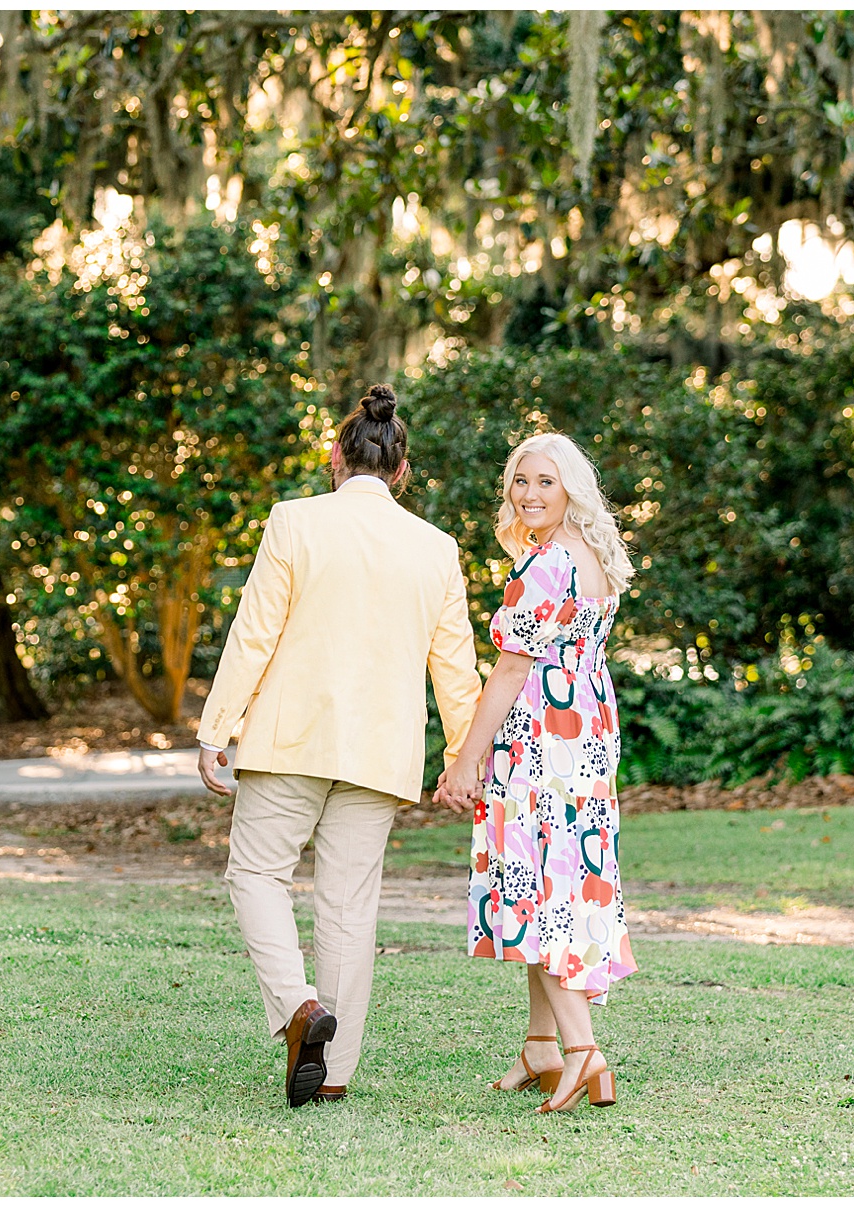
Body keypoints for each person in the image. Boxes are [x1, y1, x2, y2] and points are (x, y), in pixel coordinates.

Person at [196, 383, 480, 1108]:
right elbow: (455, 668)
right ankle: (338, 1067)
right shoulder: (437, 548)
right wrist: (463, 756)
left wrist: (216, 725)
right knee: (350, 906)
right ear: (402, 469)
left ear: (335, 456)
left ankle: (298, 1004)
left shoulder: (294, 522)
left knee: (257, 873)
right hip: (381, 752)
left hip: (289, 739)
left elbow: (254, 631)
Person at [434, 431, 637, 1114]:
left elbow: (513, 668)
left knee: (541, 887)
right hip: (584, 734)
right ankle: (541, 1044)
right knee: (558, 876)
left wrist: (465, 757)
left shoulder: (549, 564)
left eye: (545, 481)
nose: (528, 494)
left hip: (542, 740)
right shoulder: (592, 556)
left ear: (571, 488)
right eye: (520, 481)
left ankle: (584, 1052)